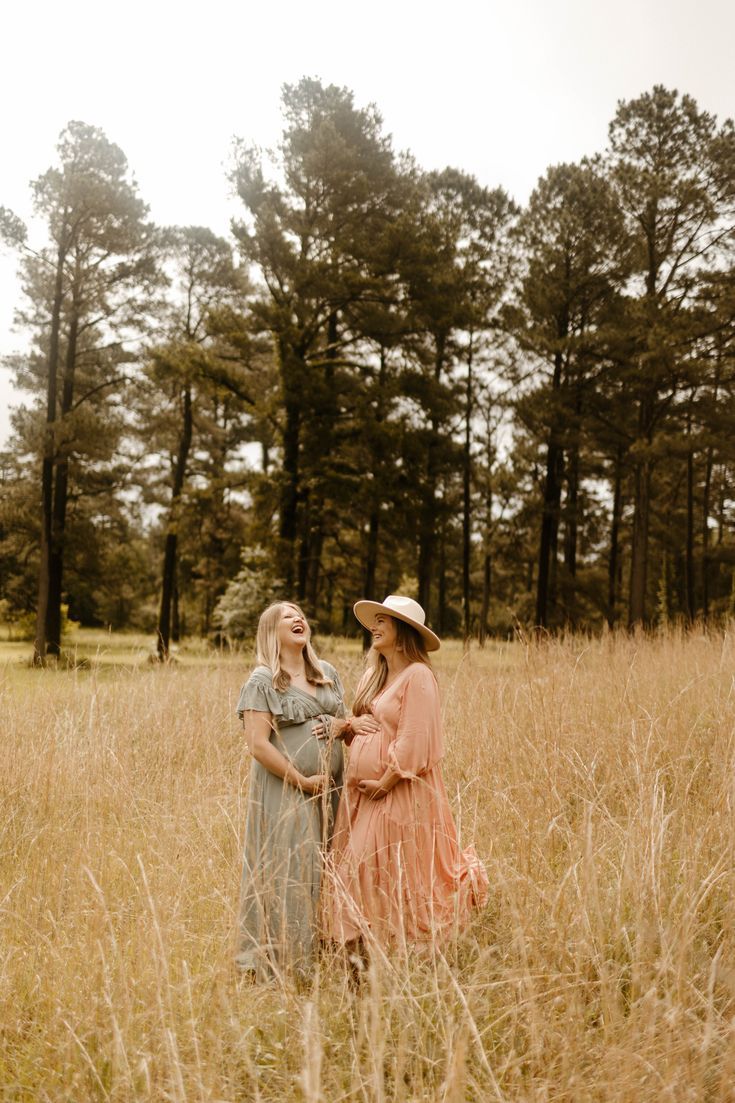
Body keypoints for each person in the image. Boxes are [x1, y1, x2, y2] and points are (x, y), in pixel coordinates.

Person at [326, 594, 488, 955]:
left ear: (403, 631)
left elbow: (416, 739)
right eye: (375, 620)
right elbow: (367, 729)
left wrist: (385, 782)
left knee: (376, 867)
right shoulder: (374, 674)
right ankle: (361, 957)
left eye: (384, 621)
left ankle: (392, 950)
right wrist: (349, 725)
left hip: (398, 792)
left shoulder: (419, 676)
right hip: (364, 796)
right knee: (359, 869)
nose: (375, 626)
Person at [235, 601, 346, 980]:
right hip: (287, 790)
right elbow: (258, 744)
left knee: (328, 868)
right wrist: (302, 780)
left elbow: (346, 720)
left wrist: (338, 725)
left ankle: (325, 952)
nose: (298, 618)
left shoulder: (326, 673)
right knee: (294, 870)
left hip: (331, 790)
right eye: (287, 616)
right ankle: (289, 966)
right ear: (272, 631)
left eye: (301, 613)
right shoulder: (263, 679)